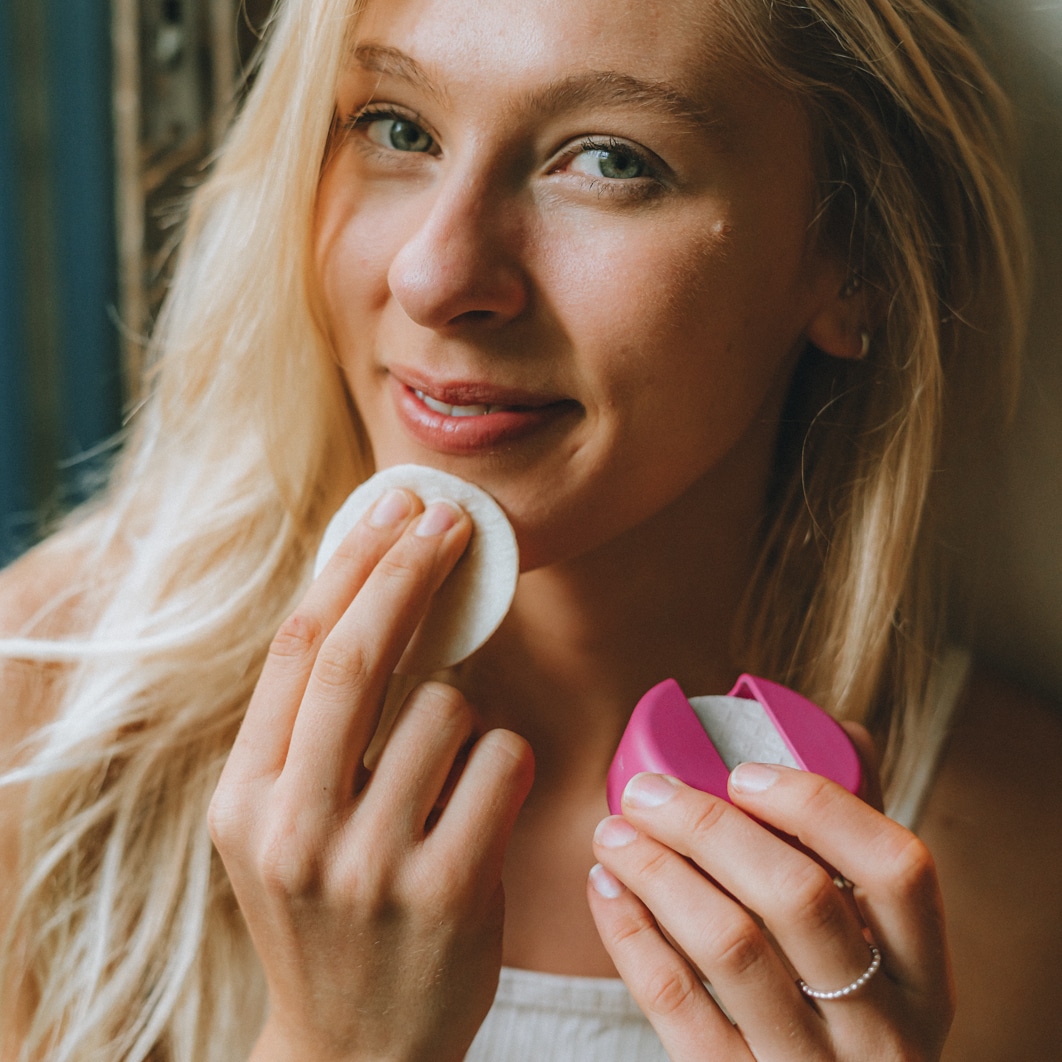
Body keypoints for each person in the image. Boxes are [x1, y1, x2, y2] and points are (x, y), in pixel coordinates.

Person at [2, 0, 1060, 1058]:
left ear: (855, 256)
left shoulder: (1012, 868)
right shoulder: (47, 724)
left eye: (610, 161)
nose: (433, 276)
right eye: (397, 128)